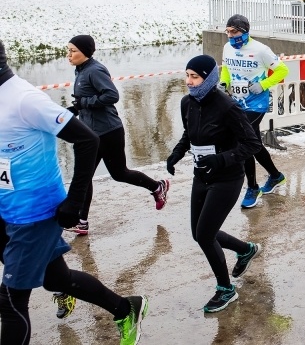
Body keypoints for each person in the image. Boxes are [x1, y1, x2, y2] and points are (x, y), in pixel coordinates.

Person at [0, 40, 149, 344]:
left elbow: (87, 140)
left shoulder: (25, 99)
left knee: (11, 301)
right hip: (4, 209)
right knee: (57, 279)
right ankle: (125, 308)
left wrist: (75, 200)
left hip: (33, 212)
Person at [166, 55, 264, 312]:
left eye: (195, 77)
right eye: (187, 75)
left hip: (227, 177)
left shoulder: (226, 106)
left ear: (209, 78)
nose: (189, 82)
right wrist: (176, 154)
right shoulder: (187, 102)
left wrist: (221, 159)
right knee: (199, 233)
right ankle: (245, 250)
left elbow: (252, 144)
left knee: (206, 235)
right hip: (202, 175)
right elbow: (189, 133)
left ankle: (226, 289)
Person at [64, 35, 169, 236]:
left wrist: (85, 103)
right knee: (84, 177)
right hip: (90, 134)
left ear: (85, 52)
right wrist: (76, 108)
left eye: (73, 51)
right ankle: (81, 221)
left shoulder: (94, 70)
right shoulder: (81, 71)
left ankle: (157, 186)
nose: (69, 55)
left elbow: (112, 95)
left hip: (108, 132)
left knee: (119, 173)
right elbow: (88, 99)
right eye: (67, 50)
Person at [220, 14, 288, 208]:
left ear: (245, 31)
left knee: (244, 140)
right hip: (237, 102)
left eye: (235, 32)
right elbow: (226, 67)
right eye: (228, 32)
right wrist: (224, 83)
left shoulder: (260, 50)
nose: (231, 36)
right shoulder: (227, 48)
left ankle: (253, 187)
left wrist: (263, 84)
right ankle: (275, 176)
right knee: (254, 142)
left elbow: (283, 70)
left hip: (256, 103)